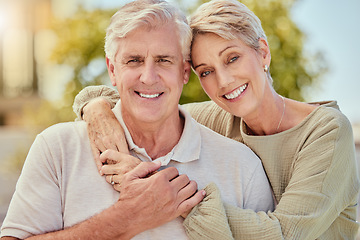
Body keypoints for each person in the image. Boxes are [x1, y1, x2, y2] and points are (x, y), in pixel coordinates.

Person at [73, 0, 360, 239]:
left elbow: (285, 233)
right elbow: (145, 105)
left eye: (232, 58)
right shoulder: (219, 117)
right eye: (206, 71)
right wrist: (96, 107)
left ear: (262, 52)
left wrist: (158, 187)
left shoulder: (327, 130)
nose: (223, 81)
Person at [0, 0, 274, 239]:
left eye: (164, 60)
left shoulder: (243, 167)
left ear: (184, 71)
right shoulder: (57, 148)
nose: (148, 76)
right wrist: (127, 217)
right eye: (133, 60)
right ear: (112, 70)